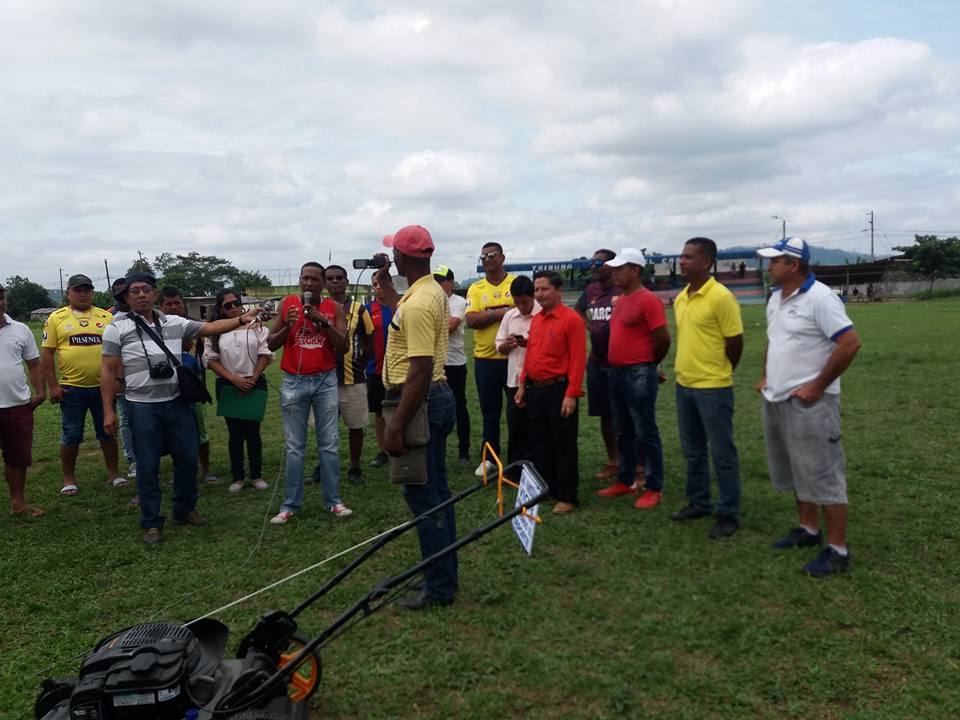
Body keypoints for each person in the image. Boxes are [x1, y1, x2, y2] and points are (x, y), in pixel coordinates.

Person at [100, 272, 262, 545]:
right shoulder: (116, 327)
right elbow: (106, 370)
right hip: (141, 406)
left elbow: (210, 328)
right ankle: (152, 522)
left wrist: (241, 319)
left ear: (155, 294)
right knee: (147, 465)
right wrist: (108, 409)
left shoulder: (174, 322)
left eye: (146, 289)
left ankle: (184, 509)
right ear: (126, 297)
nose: (141, 295)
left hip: (177, 403)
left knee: (187, 458)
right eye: (134, 291)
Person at [756, 237, 861, 577]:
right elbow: (775, 340)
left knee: (823, 473)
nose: (769, 266)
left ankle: (838, 550)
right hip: (778, 398)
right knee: (796, 468)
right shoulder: (776, 297)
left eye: (775, 261)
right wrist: (765, 375)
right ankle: (808, 529)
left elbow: (849, 343)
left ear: (794, 264)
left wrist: (817, 386)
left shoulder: (820, 297)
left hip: (812, 403)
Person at [374, 225, 457, 610]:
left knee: (425, 497)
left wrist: (394, 427)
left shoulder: (420, 302)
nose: (392, 256)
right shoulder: (427, 291)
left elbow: (420, 370)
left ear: (403, 257)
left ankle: (438, 588)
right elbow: (405, 322)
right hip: (432, 397)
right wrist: (388, 289)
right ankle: (439, 575)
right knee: (436, 494)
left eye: (394, 252)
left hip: (419, 400)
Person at [670, 238, 744, 539]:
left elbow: (735, 343)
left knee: (722, 452)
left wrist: (720, 371)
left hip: (713, 387)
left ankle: (728, 512)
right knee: (693, 451)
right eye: (681, 256)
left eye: (688, 257)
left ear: (706, 262)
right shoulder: (681, 298)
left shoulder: (721, 297)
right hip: (684, 384)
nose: (682, 261)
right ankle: (699, 502)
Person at [266, 262, 352, 524]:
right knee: (294, 447)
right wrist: (287, 325)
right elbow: (270, 344)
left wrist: (322, 321)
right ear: (299, 280)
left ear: (323, 284)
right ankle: (290, 504)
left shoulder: (334, 308)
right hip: (294, 381)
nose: (309, 283)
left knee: (329, 444)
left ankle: (333, 501)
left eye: (315, 279)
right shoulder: (287, 304)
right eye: (305, 278)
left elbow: (343, 346)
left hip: (325, 381)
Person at [40, 274, 125, 496]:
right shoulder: (56, 318)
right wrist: (53, 386)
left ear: (92, 292)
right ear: (68, 293)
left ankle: (113, 474)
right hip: (72, 388)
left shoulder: (107, 317)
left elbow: (118, 352)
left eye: (87, 290)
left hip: (103, 388)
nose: (83, 294)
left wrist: (118, 380)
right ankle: (69, 479)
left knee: (108, 431)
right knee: (71, 434)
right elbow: (47, 354)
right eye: (78, 290)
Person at [604, 248, 671, 510]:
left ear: (635, 270)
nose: (615, 273)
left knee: (645, 431)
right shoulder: (621, 300)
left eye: (620, 268)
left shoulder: (648, 300)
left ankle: (654, 486)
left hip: (638, 372)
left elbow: (663, 338)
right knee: (623, 430)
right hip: (617, 372)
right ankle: (626, 480)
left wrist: (649, 365)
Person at [514, 271, 586, 514]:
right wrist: (522, 385)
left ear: (558, 290)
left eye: (544, 289)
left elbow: (578, 359)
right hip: (536, 390)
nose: (539, 294)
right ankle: (547, 489)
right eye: (536, 290)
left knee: (563, 443)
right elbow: (531, 355)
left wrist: (571, 394)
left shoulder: (571, 320)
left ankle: (567, 495)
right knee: (540, 442)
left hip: (559, 389)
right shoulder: (537, 320)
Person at [203, 288, 273, 493]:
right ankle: (238, 476)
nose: (233, 307)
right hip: (228, 384)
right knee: (235, 433)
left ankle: (256, 475)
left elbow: (264, 353)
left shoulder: (256, 325)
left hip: (254, 382)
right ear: (220, 309)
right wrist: (234, 379)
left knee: (253, 432)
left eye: (236, 303)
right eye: (228, 305)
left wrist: (254, 377)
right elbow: (210, 359)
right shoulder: (214, 329)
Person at [575, 249, 628, 487]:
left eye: (598, 262)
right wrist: (590, 327)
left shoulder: (622, 289)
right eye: (592, 262)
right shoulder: (591, 290)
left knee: (627, 415)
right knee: (605, 414)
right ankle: (613, 460)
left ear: (612, 264)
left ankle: (636, 465)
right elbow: (578, 309)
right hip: (597, 362)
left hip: (622, 363)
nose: (593, 266)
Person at [319, 265, 374, 485]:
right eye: (330, 278)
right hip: (323, 379)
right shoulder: (318, 308)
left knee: (355, 425)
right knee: (325, 427)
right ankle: (323, 465)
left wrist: (359, 364)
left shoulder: (360, 310)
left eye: (339, 278)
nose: (334, 281)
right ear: (325, 283)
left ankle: (354, 467)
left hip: (352, 378)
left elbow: (370, 342)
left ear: (346, 282)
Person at [465, 242, 516, 474]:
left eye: (492, 255)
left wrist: (488, 314)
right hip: (485, 359)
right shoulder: (476, 288)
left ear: (502, 257)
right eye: (483, 256)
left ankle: (517, 457)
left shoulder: (515, 283)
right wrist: (503, 313)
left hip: (514, 358)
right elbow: (472, 320)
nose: (487, 259)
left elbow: (524, 313)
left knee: (517, 412)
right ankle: (489, 458)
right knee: (489, 412)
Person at [159, 287, 217, 484]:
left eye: (177, 303)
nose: (173, 307)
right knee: (174, 434)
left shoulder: (195, 326)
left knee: (201, 431)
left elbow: (203, 354)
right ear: (161, 307)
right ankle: (180, 472)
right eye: (168, 304)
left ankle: (206, 470)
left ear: (183, 304)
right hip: (168, 389)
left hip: (193, 388)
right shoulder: (155, 328)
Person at [0, 283, 46, 517]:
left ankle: (17, 503)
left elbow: (34, 365)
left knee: (17, 458)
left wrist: (39, 392)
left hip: (16, 406)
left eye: (1, 297)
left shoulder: (21, 329)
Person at [494, 275, 540, 474]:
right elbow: (499, 346)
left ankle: (535, 470)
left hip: (537, 381)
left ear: (532, 297)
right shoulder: (510, 316)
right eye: (517, 302)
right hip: (513, 380)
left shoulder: (542, 314)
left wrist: (531, 344)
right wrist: (507, 345)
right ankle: (514, 469)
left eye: (525, 302)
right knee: (515, 427)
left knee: (535, 427)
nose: (521, 307)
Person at [434, 265, 471, 465]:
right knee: (433, 405)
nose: (438, 285)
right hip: (435, 362)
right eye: (436, 281)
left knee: (459, 405)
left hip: (454, 362)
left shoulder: (458, 302)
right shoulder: (433, 300)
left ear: (451, 282)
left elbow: (451, 325)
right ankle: (434, 446)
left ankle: (464, 449)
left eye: (442, 281)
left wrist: (428, 324)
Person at [108, 277, 137, 479]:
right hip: (120, 377)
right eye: (119, 292)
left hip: (140, 374)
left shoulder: (142, 313)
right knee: (126, 418)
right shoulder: (109, 316)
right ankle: (132, 459)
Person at [365, 273, 395, 469]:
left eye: (381, 282)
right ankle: (383, 450)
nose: (378, 286)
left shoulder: (400, 306)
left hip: (399, 368)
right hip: (374, 368)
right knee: (379, 411)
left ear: (390, 283)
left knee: (400, 407)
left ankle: (404, 444)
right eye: (374, 284)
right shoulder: (368, 310)